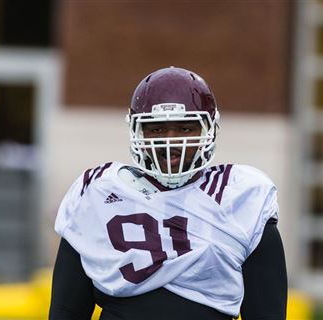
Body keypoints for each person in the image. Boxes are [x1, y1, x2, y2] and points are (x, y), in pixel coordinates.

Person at [49, 67, 287, 319]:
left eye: (185, 129)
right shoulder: (98, 192)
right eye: (157, 129)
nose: (170, 141)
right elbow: (66, 311)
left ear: (210, 130)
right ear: (137, 131)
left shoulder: (240, 198)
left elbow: (267, 313)